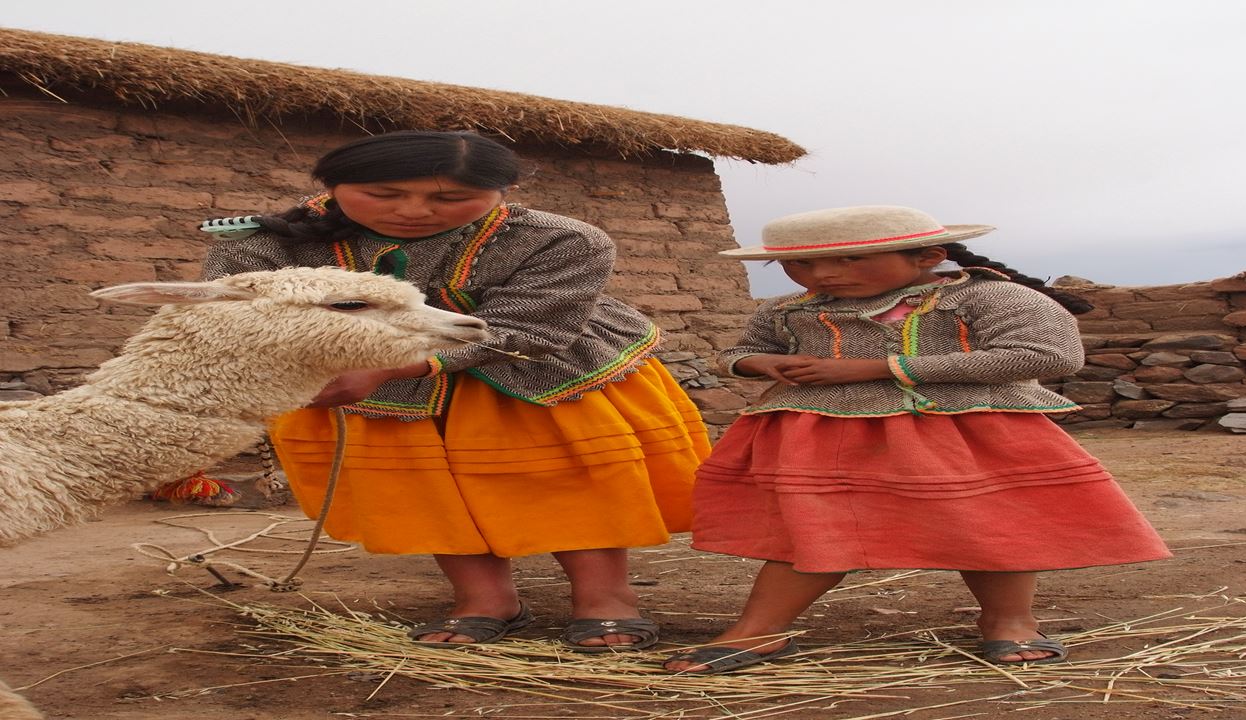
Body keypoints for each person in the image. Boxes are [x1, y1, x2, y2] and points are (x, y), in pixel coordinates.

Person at [200, 130, 710, 652]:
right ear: (332, 186)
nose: (414, 211)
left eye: (448, 198)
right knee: (429, 491)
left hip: (530, 376)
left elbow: (528, 332)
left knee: (566, 483)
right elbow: (241, 316)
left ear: (504, 190)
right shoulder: (266, 243)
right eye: (384, 195)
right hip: (367, 387)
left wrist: (391, 368)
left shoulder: (561, 240)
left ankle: (606, 601)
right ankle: (486, 601)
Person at [662, 205, 1170, 674]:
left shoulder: (989, 297)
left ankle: (1009, 622)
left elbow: (1047, 355)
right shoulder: (786, 311)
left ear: (928, 256)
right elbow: (742, 350)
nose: (820, 275)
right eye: (799, 265)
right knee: (816, 526)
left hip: (969, 432)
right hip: (825, 437)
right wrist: (760, 363)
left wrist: (878, 369)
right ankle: (759, 631)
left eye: (848, 259)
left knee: (988, 525)